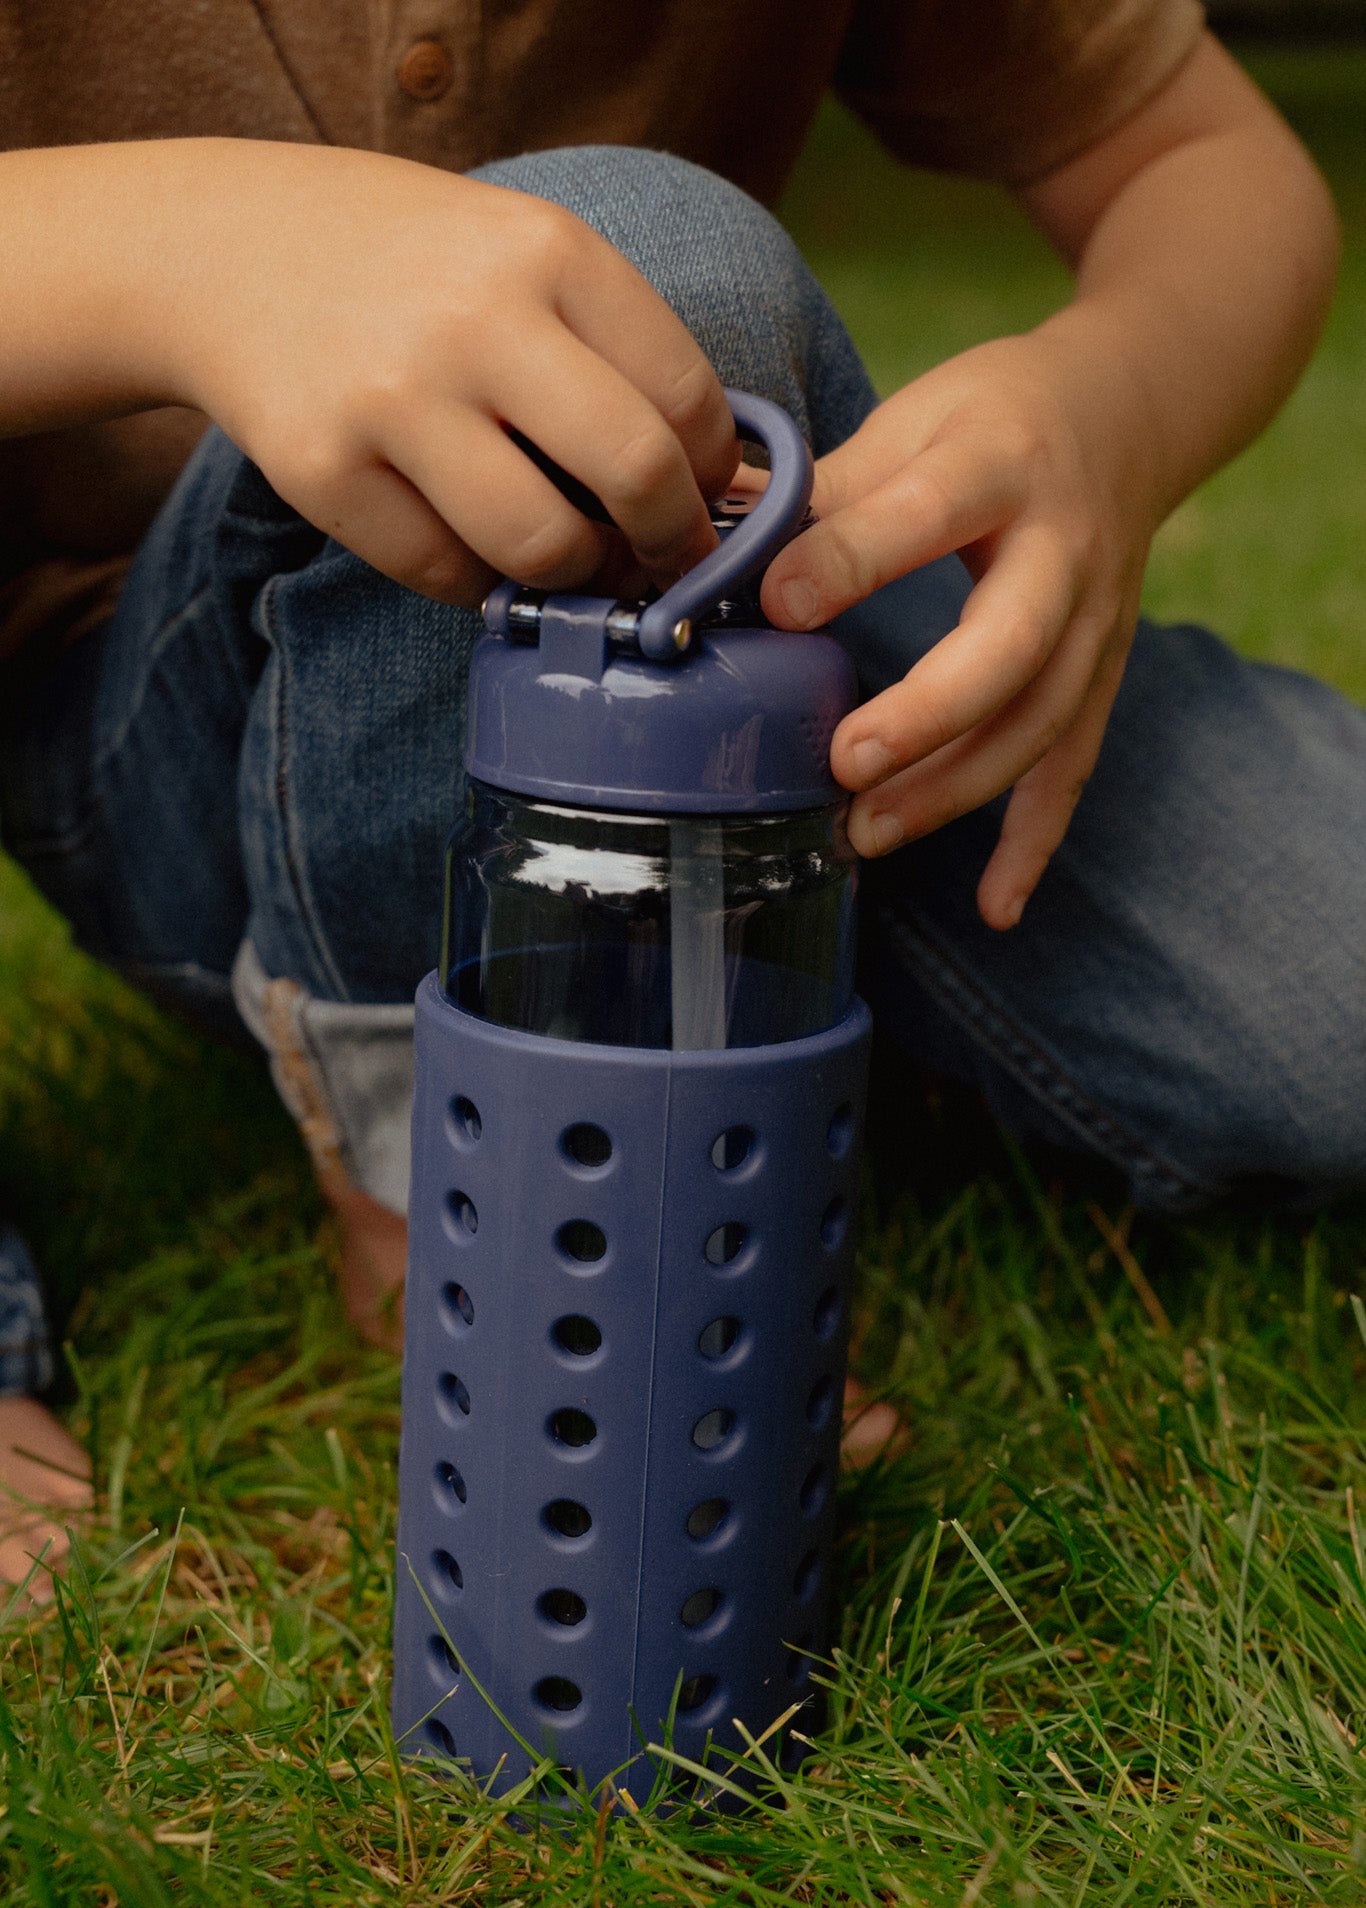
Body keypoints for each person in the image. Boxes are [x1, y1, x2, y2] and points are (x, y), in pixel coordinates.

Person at [0, 3, 1361, 1593]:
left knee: (1327, 1003)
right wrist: (191, 257)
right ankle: (448, 1170)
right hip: (147, 721)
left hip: (732, 625)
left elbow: (1200, 159)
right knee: (631, 260)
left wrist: (1112, 403)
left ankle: (768, 995)